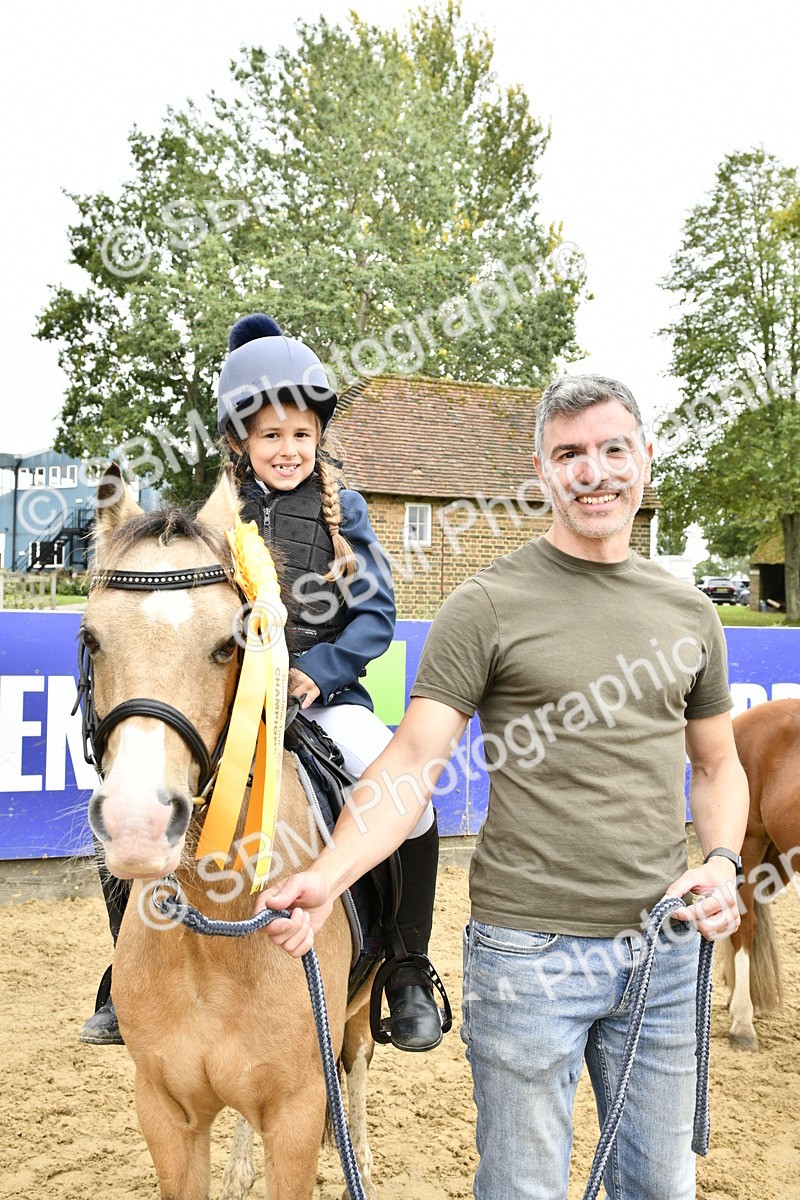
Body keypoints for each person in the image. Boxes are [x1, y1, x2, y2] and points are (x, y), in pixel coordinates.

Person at [256, 375, 749, 1200]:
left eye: (612, 449)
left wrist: (727, 862)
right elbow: (412, 762)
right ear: (542, 471)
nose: (594, 473)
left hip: (665, 952)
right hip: (529, 960)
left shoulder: (692, 613)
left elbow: (716, 766)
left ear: (645, 457)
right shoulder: (485, 605)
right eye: (569, 455)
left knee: (661, 1189)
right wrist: (328, 877)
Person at [80, 313, 445, 1054]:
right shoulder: (217, 516)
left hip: (326, 704)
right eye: (271, 437)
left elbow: (376, 614)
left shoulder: (347, 509)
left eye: (301, 435)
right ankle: (125, 972)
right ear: (240, 442)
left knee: (412, 803)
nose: (288, 450)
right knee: (133, 801)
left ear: (319, 437)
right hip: (231, 713)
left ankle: (406, 968)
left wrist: (319, 671)